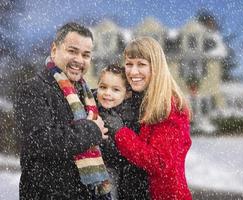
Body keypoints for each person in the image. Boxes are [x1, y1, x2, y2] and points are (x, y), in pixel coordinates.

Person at [14, 22, 112, 200]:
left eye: (86, 55)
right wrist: (91, 129)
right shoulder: (33, 89)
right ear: (54, 49)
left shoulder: (89, 96)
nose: (79, 60)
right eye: (72, 51)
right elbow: (39, 140)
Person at [104, 37, 192, 200]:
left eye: (141, 64)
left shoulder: (170, 106)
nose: (133, 71)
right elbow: (127, 155)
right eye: (129, 64)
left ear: (156, 67)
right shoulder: (137, 101)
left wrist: (120, 132)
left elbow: (159, 162)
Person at [95, 64, 150, 200]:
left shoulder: (130, 116)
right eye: (103, 87)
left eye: (115, 90)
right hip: (99, 170)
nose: (107, 93)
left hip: (121, 173)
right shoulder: (93, 108)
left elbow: (126, 152)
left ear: (126, 94)